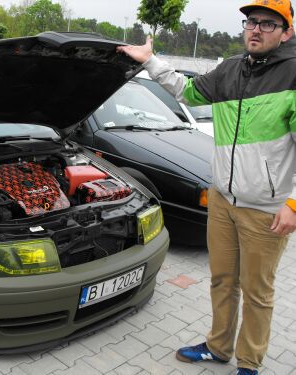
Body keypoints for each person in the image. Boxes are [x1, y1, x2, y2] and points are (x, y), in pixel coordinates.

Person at [118, 1, 295, 374]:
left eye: (268, 23)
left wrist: (293, 203)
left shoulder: (293, 75)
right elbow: (187, 90)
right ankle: (218, 347)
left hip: (266, 209)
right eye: (251, 22)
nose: (256, 29)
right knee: (222, 280)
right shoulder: (230, 69)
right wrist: (150, 61)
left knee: (258, 293)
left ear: (286, 32)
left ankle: (249, 363)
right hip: (222, 199)